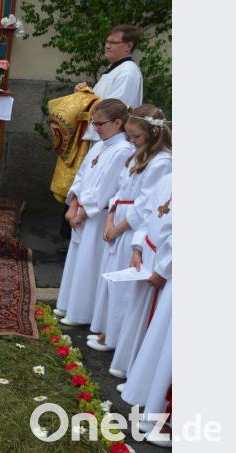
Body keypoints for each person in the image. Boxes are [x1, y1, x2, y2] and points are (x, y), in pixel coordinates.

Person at [87, 105, 171, 352]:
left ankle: (114, 337)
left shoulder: (161, 163)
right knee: (111, 281)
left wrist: (120, 227)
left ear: (154, 134)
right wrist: (110, 218)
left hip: (131, 226)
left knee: (124, 286)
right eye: (130, 136)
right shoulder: (138, 155)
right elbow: (120, 190)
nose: (132, 141)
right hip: (119, 220)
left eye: (136, 137)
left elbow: (146, 204)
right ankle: (107, 331)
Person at [52, 24, 143, 238]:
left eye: (114, 43)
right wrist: (87, 93)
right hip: (100, 139)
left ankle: (81, 226)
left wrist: (87, 97)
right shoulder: (116, 70)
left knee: (97, 186)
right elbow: (102, 103)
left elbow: (116, 108)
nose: (107, 46)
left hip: (109, 140)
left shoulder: (128, 73)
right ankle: (74, 225)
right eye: (107, 42)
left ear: (128, 46)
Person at [54, 99, 134, 326]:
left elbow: (107, 188)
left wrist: (84, 211)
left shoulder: (122, 150)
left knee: (89, 262)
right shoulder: (99, 145)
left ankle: (82, 312)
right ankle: (68, 304)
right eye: (94, 123)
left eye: (100, 124)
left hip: (98, 216)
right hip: (82, 210)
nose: (95, 129)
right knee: (77, 259)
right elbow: (81, 176)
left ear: (118, 123)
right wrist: (72, 204)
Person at [119, 173, 172, 448]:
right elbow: (151, 212)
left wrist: (165, 266)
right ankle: (153, 406)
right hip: (158, 258)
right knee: (161, 342)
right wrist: (139, 245)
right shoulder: (170, 177)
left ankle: (164, 415)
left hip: (168, 264)